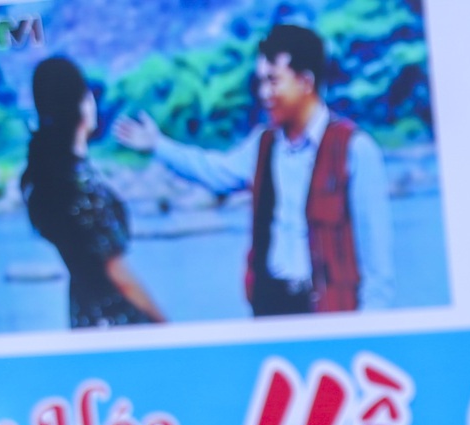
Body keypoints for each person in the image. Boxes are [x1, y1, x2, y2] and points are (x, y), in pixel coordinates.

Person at [113, 23, 394, 315]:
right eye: (261, 82)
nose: (264, 93)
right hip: (273, 306)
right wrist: (159, 146)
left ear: (305, 82)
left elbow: (377, 268)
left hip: (330, 310)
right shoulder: (263, 144)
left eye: (273, 81)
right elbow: (215, 172)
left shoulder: (355, 149)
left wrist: (367, 329)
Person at [20, 57, 164, 327]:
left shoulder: (54, 181)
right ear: (81, 105)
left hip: (81, 314)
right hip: (116, 318)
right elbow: (118, 275)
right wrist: (166, 326)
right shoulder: (83, 187)